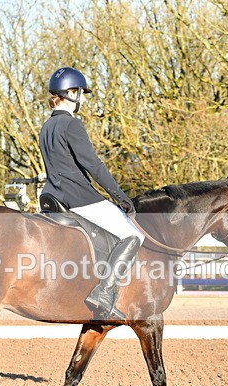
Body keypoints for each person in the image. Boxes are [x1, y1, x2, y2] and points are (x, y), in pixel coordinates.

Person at [38, 66, 144, 320]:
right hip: (78, 197)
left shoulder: (47, 126)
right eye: (81, 94)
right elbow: (93, 165)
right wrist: (119, 196)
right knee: (133, 234)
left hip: (51, 195)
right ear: (71, 93)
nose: (83, 100)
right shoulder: (71, 124)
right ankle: (104, 292)